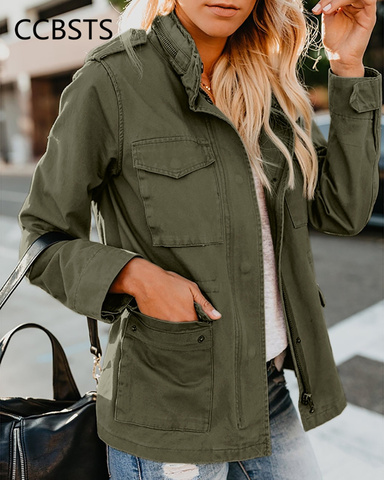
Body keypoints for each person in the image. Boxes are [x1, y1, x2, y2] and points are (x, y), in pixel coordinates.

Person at [19, 0, 381, 478]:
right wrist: (136, 277)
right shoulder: (112, 81)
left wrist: (347, 64)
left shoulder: (268, 86)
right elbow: (42, 238)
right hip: (169, 406)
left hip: (267, 392)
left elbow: (342, 211)